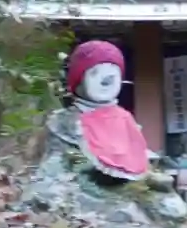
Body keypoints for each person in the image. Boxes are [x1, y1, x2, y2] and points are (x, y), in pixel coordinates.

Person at [54, 39, 150, 182]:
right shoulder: (63, 122)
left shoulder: (125, 119)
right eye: (95, 73)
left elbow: (140, 155)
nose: (106, 81)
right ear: (78, 80)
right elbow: (54, 167)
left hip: (130, 185)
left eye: (113, 74)